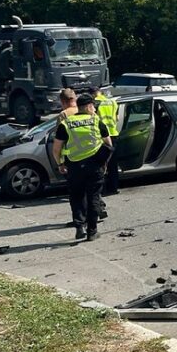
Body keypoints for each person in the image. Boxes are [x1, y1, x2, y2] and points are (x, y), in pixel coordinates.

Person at [51, 94, 112, 241]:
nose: (95, 109)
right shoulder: (96, 121)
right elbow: (108, 145)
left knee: (76, 196)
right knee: (94, 197)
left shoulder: (66, 123)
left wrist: (60, 163)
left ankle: (79, 227)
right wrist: (104, 163)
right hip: (94, 165)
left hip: (74, 165)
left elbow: (56, 149)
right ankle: (92, 231)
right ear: (89, 106)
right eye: (94, 106)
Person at [92, 86, 121, 196]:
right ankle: (114, 188)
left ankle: (102, 189)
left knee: (101, 163)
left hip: (101, 136)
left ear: (93, 94)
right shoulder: (112, 102)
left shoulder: (95, 103)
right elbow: (117, 118)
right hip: (113, 134)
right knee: (113, 164)